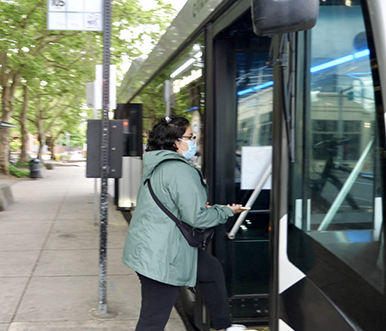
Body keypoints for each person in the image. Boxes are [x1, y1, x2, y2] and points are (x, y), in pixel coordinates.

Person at [122, 115, 250, 331]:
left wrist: (200, 208)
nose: (194, 141)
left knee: (210, 270)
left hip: (158, 246)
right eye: (191, 137)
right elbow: (196, 218)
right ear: (175, 142)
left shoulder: (158, 164)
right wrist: (226, 211)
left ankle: (224, 325)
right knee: (152, 321)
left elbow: (172, 205)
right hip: (162, 255)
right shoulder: (180, 170)